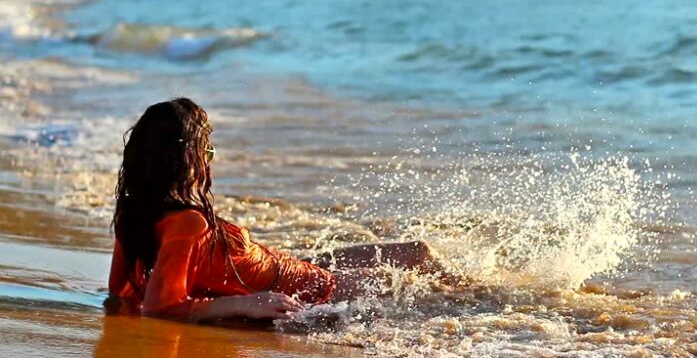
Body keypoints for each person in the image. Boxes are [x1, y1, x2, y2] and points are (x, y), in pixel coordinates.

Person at [106, 98, 456, 323]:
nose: (209, 161)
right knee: (421, 281)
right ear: (187, 159)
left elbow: (121, 294)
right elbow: (157, 308)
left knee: (418, 255)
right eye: (207, 153)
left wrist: (228, 300)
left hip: (295, 267)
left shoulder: (135, 214)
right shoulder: (187, 222)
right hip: (316, 288)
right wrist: (241, 305)